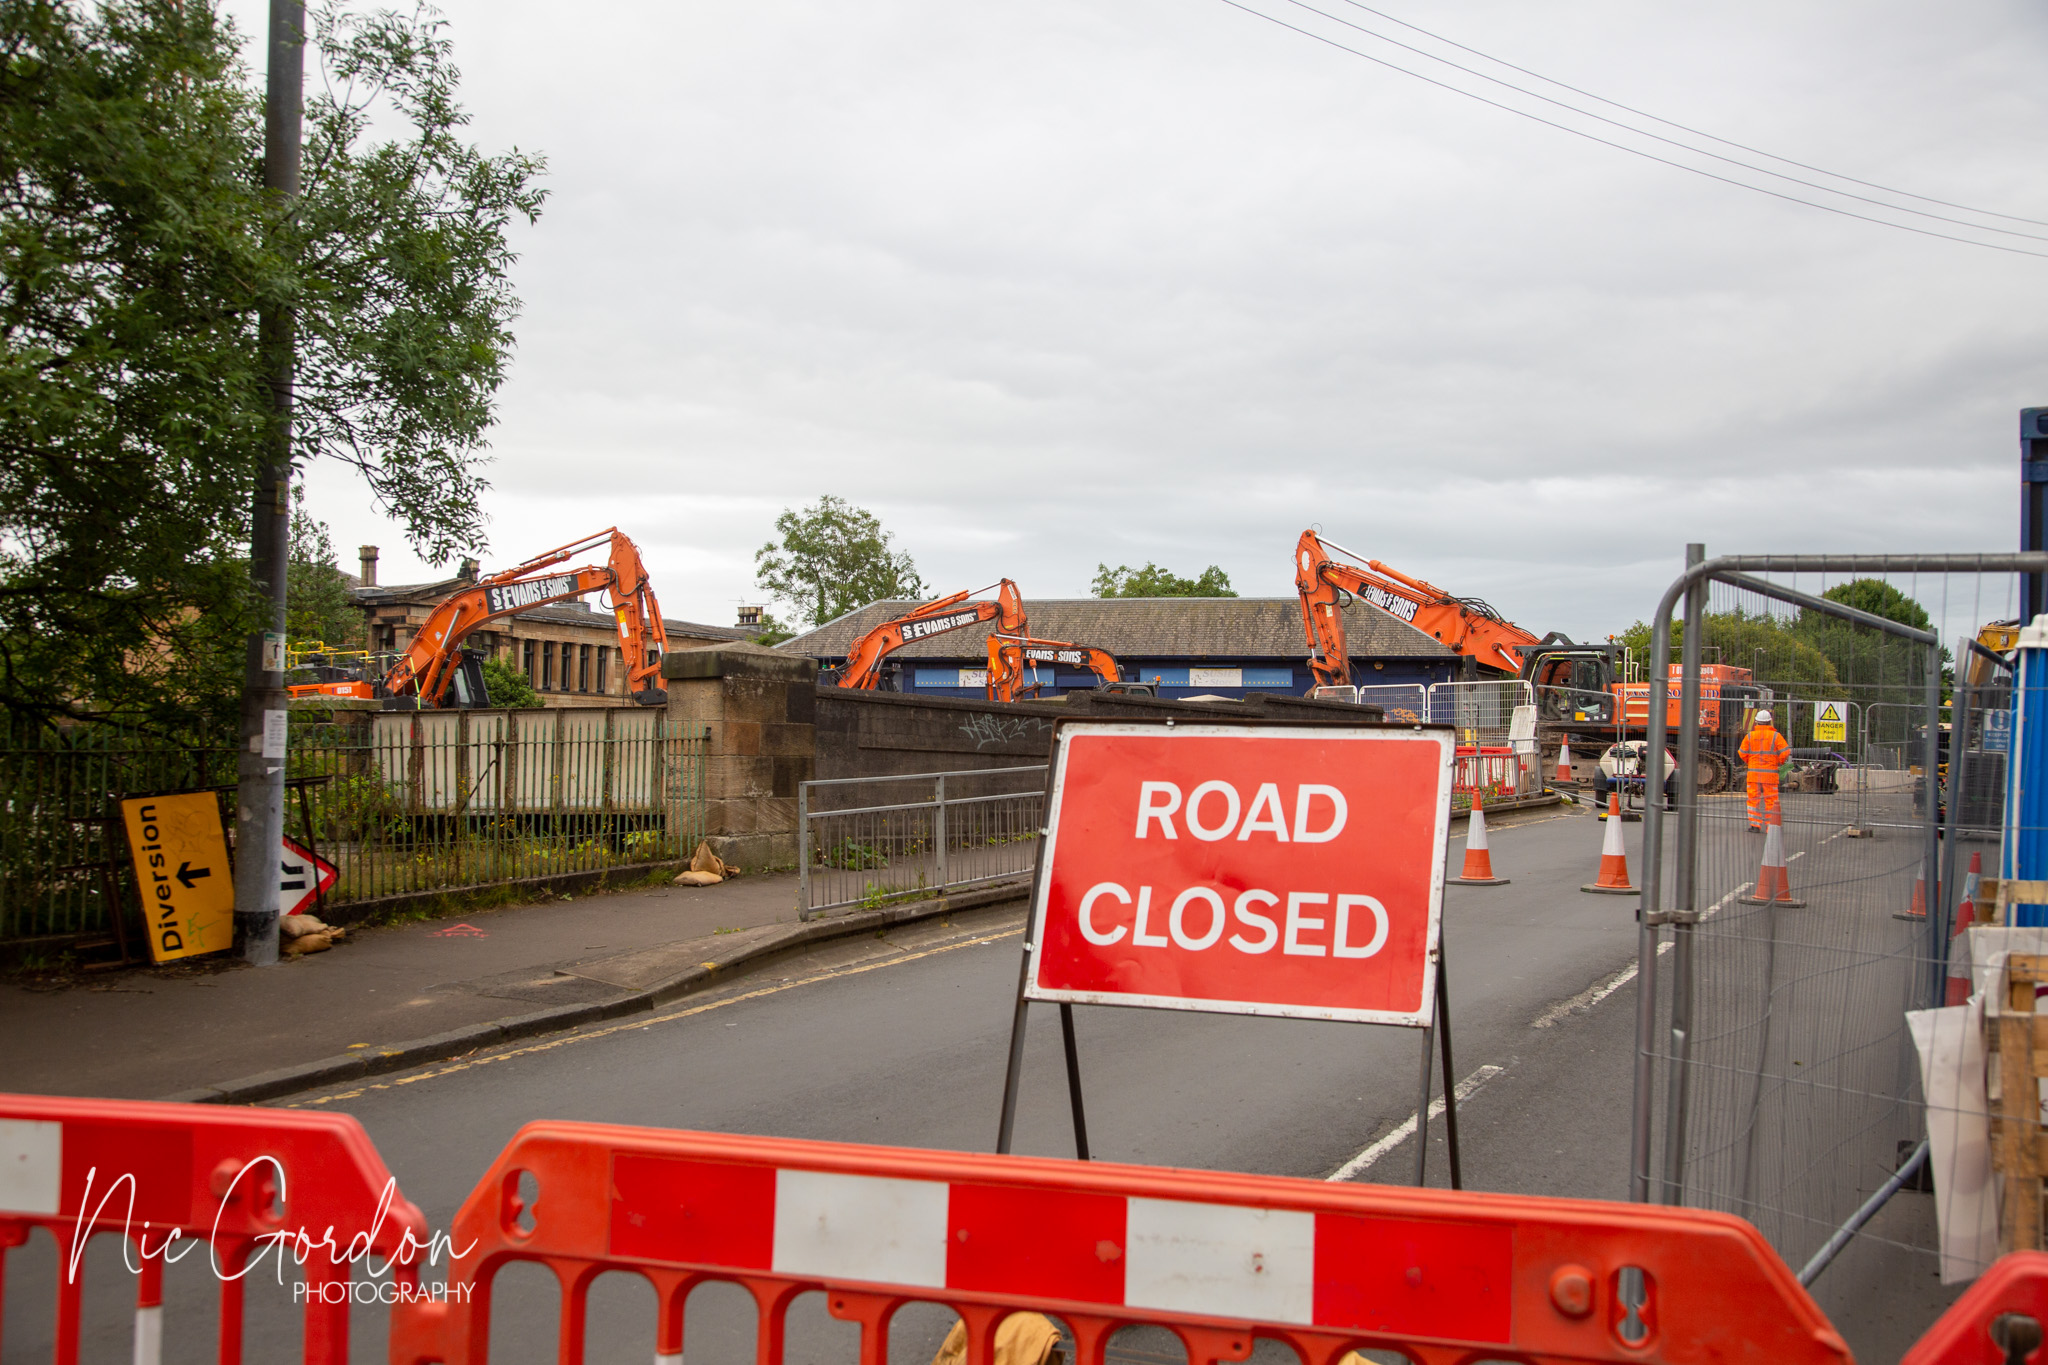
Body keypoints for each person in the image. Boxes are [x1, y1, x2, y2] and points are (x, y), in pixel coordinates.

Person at [1737, 708, 1790, 832]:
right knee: (1771, 801)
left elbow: (1742, 753)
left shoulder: (1750, 736)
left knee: (1753, 800)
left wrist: (1750, 762)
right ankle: (1771, 827)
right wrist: (1778, 762)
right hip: (1770, 775)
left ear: (1756, 722)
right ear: (1769, 722)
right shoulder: (1776, 736)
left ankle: (1755, 825)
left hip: (1754, 774)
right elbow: (1785, 752)